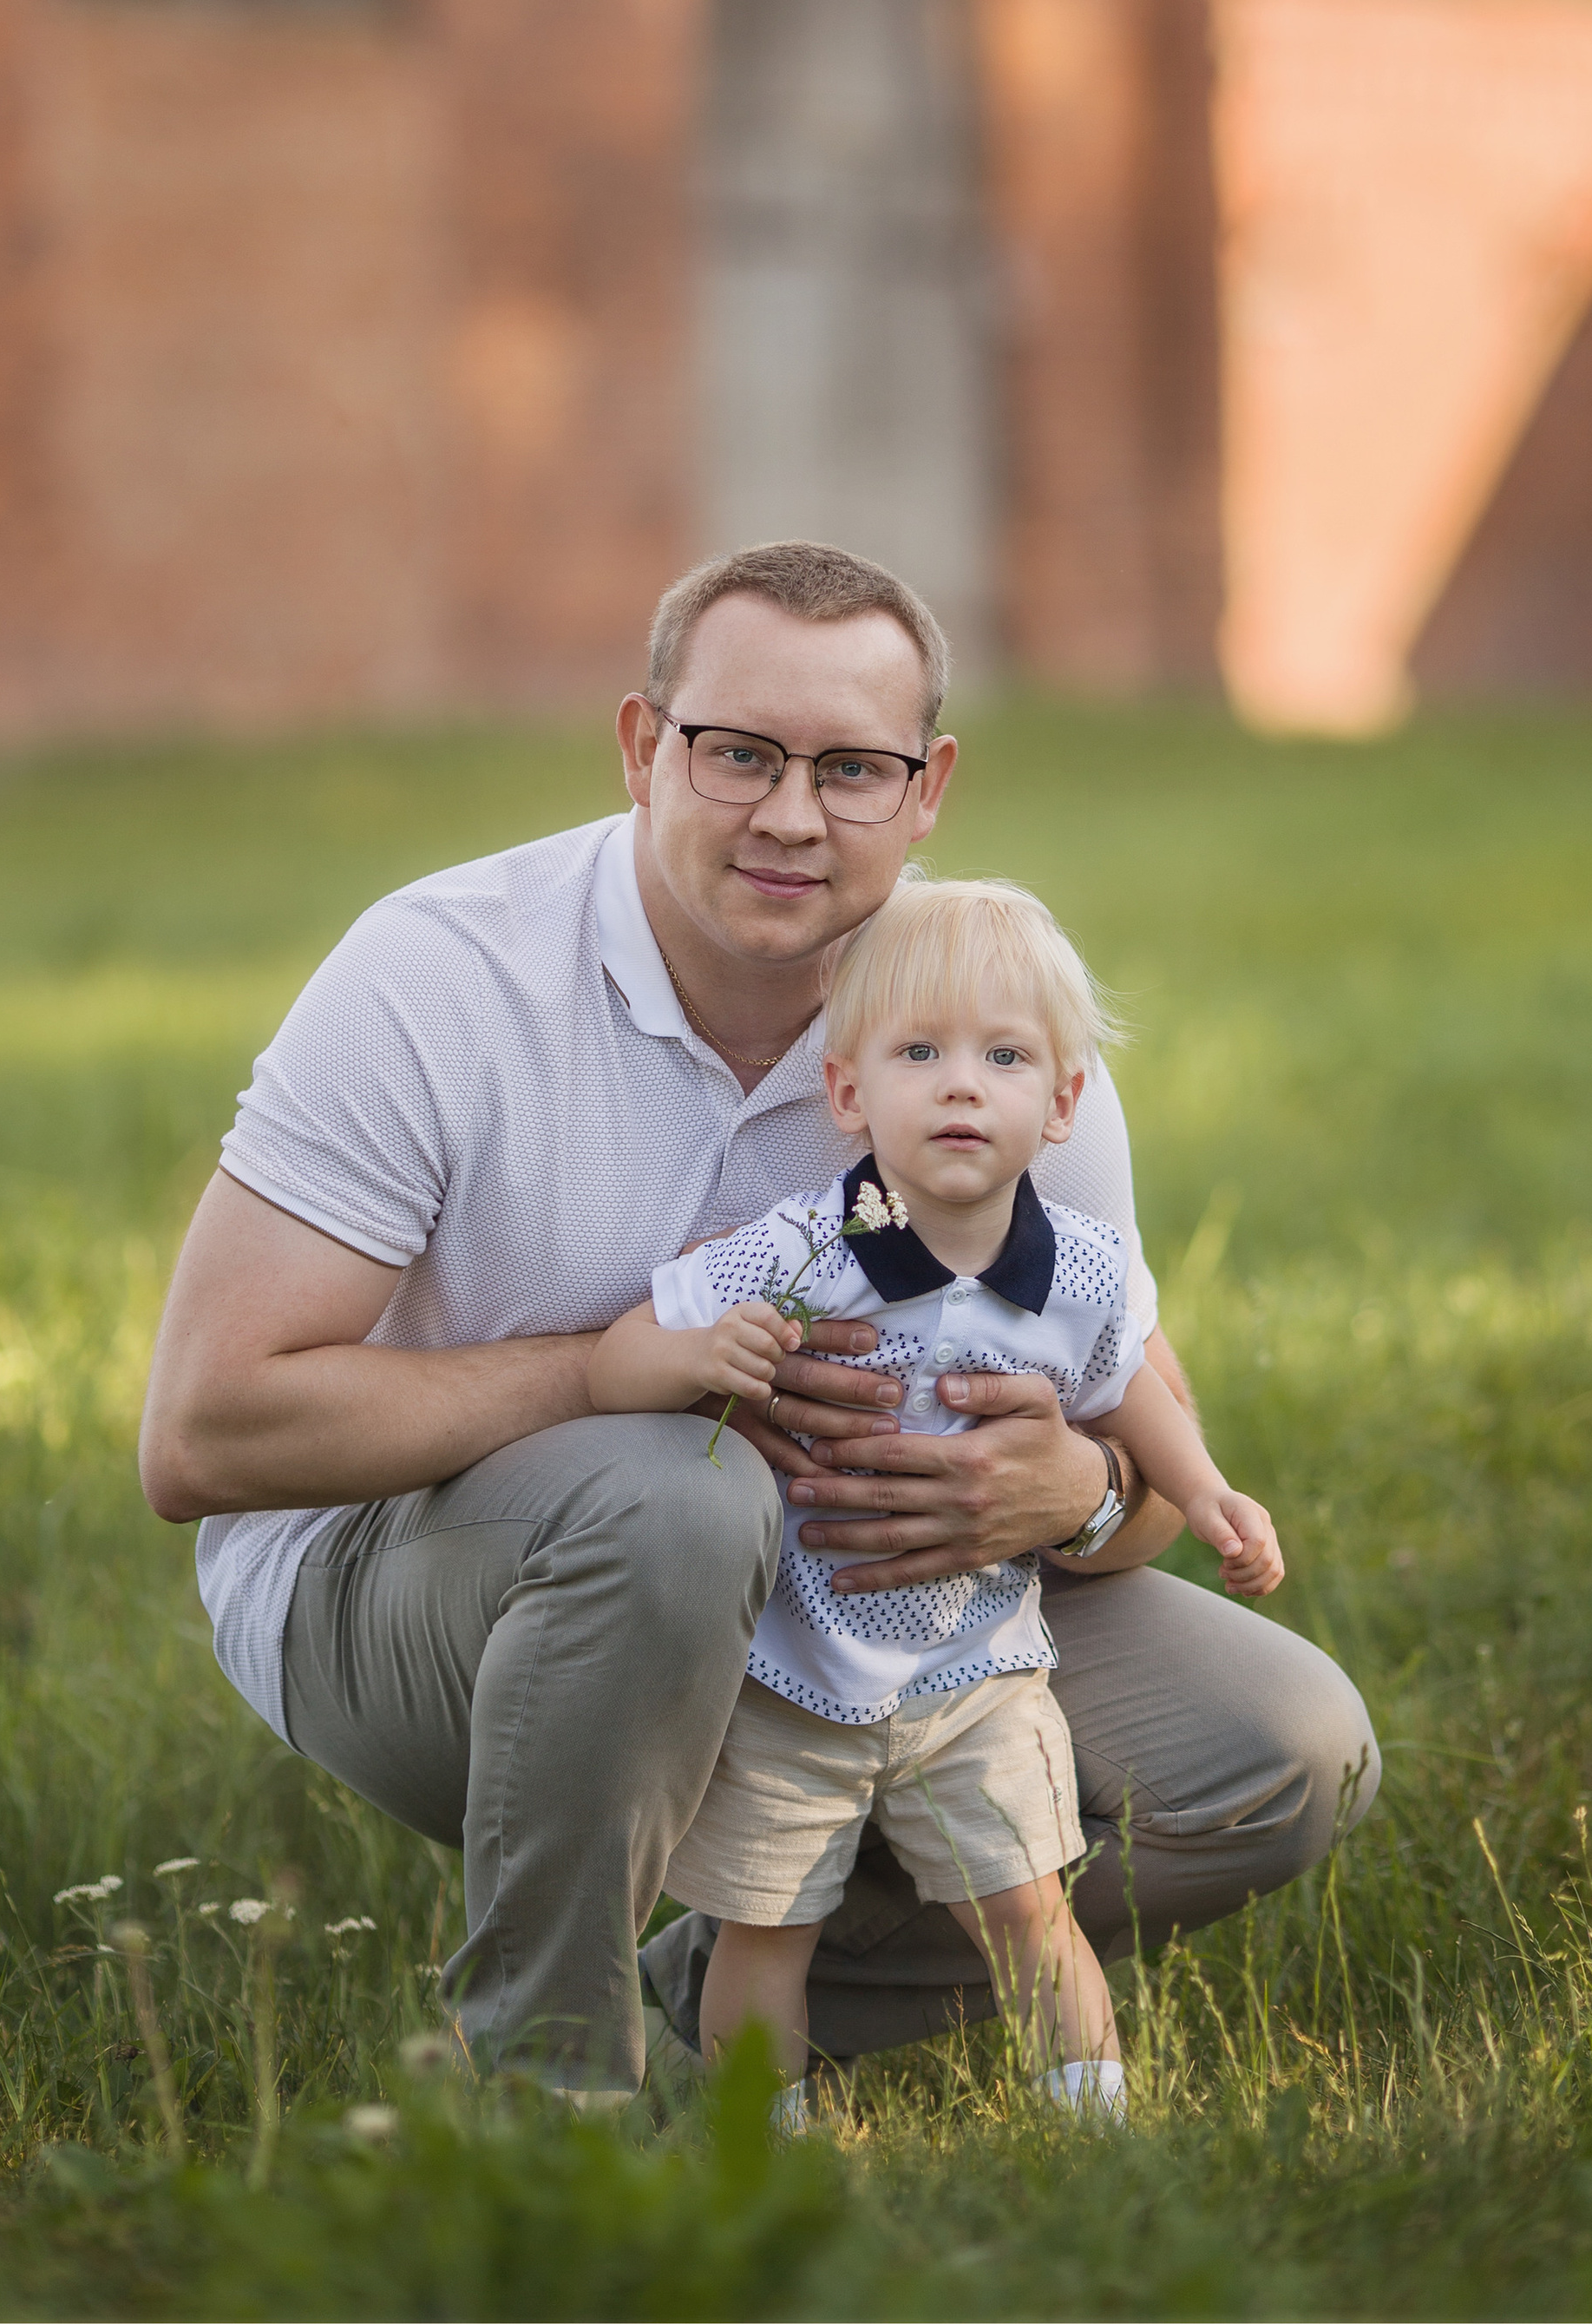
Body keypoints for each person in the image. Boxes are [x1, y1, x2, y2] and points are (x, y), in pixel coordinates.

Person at [138, 539, 1379, 2095]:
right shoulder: (437, 974)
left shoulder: (984, 1027)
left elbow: (1131, 1405)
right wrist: (615, 1380)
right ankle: (553, 2088)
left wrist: (1092, 1498)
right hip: (415, 1592)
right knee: (678, 1498)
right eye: (739, 752)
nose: (793, 814)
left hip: (881, 1615)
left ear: (927, 791)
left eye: (853, 767)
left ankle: (723, 2000)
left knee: (1282, 1748)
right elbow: (204, 1432)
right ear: (645, 745)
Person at [589, 873, 1286, 2124]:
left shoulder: (1079, 1266)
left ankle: (1092, 2127)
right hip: (796, 1676)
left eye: (1005, 1054)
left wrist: (1213, 1493)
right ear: (850, 1091)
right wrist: (695, 1359)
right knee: (765, 1931)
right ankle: (758, 2138)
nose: (963, 1083)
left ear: (1063, 1099)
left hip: (982, 1673)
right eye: (921, 1050)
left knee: (1028, 1912)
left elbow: (1129, 1390)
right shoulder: (807, 1246)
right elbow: (621, 1349)